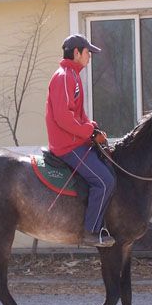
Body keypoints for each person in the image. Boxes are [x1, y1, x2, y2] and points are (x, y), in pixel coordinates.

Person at [45, 34, 116, 248]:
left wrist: (92, 127)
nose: (90, 57)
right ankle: (90, 232)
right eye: (88, 53)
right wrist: (88, 132)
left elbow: (79, 114)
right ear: (76, 52)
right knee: (105, 181)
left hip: (75, 140)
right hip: (67, 145)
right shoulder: (64, 76)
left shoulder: (72, 76)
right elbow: (63, 117)